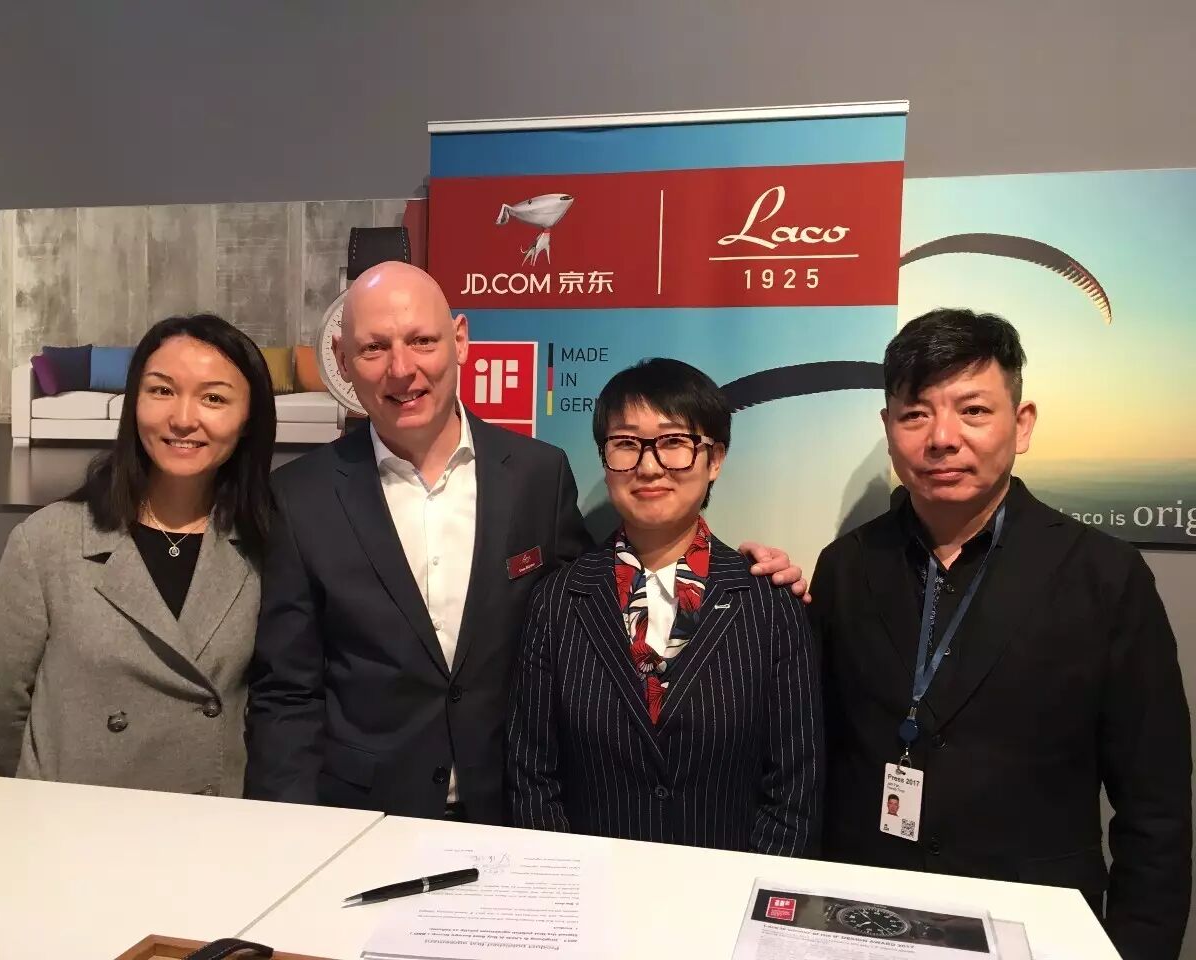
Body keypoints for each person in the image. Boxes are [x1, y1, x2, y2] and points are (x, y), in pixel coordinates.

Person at [243, 261, 807, 824]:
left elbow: (599, 606)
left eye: (422, 341)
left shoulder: (538, 474)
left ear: (460, 340)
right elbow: (286, 692)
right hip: (361, 815)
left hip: (512, 807)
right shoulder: (300, 496)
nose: (402, 368)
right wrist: (290, 832)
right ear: (342, 358)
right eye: (374, 348)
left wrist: (741, 574)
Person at [810, 308, 1191, 960]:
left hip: (1034, 927)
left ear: (1023, 423)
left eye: (974, 411)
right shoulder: (846, 566)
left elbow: (1155, 806)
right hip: (865, 916)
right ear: (889, 427)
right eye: (915, 414)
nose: (942, 438)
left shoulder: (1103, 575)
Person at [507, 359, 821, 854]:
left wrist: (749, 887)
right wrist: (563, 882)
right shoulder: (558, 601)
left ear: (715, 459)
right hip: (591, 884)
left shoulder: (770, 603)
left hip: (724, 885)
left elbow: (794, 788)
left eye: (674, 442)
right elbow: (532, 775)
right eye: (626, 444)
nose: (649, 466)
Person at [0, 313, 276, 797]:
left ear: (248, 419)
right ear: (134, 403)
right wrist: (51, 796)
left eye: (213, 398)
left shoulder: (267, 547)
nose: (183, 418)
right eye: (162, 390)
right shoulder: (48, 541)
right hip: (76, 824)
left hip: (209, 827)